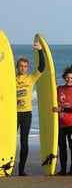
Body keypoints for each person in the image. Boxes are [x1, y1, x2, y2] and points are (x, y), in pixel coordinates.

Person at [15, 41, 45, 176]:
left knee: (24, 142)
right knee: (8, 141)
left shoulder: (31, 78)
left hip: (26, 113)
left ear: (27, 68)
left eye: (25, 66)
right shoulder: (11, 78)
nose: (23, 68)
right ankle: (5, 165)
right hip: (12, 113)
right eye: (21, 66)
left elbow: (42, 67)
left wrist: (40, 50)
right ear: (17, 67)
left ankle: (21, 170)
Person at [53, 65, 72, 175]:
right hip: (60, 124)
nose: (69, 80)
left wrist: (61, 109)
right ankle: (63, 170)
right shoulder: (59, 89)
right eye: (68, 77)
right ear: (65, 77)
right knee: (62, 148)